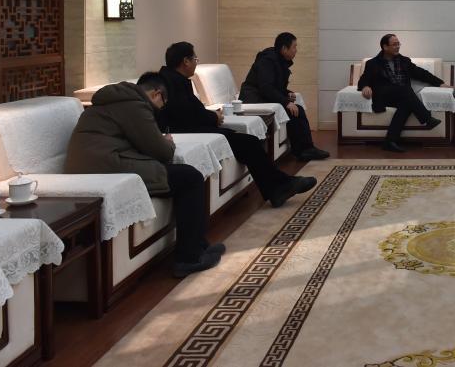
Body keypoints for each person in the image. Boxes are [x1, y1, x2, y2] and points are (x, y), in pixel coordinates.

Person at [64, 74, 223, 278]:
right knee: (190, 178)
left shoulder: (115, 101)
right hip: (106, 165)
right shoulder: (134, 106)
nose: (160, 110)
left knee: (184, 175)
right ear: (157, 94)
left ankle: (199, 245)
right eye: (162, 104)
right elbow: (161, 152)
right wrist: (168, 142)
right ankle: (188, 258)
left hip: (95, 163)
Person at [158, 42, 316, 208]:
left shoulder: (173, 79)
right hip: (190, 133)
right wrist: (213, 117)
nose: (196, 63)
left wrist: (213, 116)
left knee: (249, 142)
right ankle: (279, 187)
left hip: (197, 129)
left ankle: (279, 187)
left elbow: (191, 111)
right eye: (195, 59)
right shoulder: (171, 83)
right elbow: (186, 115)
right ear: (186, 61)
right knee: (249, 143)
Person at [240, 32, 330, 162]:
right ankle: (303, 150)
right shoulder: (267, 60)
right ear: (284, 48)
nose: (296, 50)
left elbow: (275, 86)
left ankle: (306, 149)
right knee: (293, 110)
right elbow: (266, 87)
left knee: (297, 110)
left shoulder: (280, 60)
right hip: (253, 100)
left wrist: (287, 93)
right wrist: (286, 102)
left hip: (263, 96)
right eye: (294, 47)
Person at [356, 33, 450, 153]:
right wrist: (365, 86)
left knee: (406, 104)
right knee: (405, 90)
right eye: (394, 44)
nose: (398, 47)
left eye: (398, 44)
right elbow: (364, 78)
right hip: (384, 95)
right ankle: (427, 118)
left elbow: (421, 73)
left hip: (402, 96)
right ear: (385, 47)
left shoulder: (404, 61)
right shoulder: (373, 63)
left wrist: (440, 83)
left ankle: (390, 141)